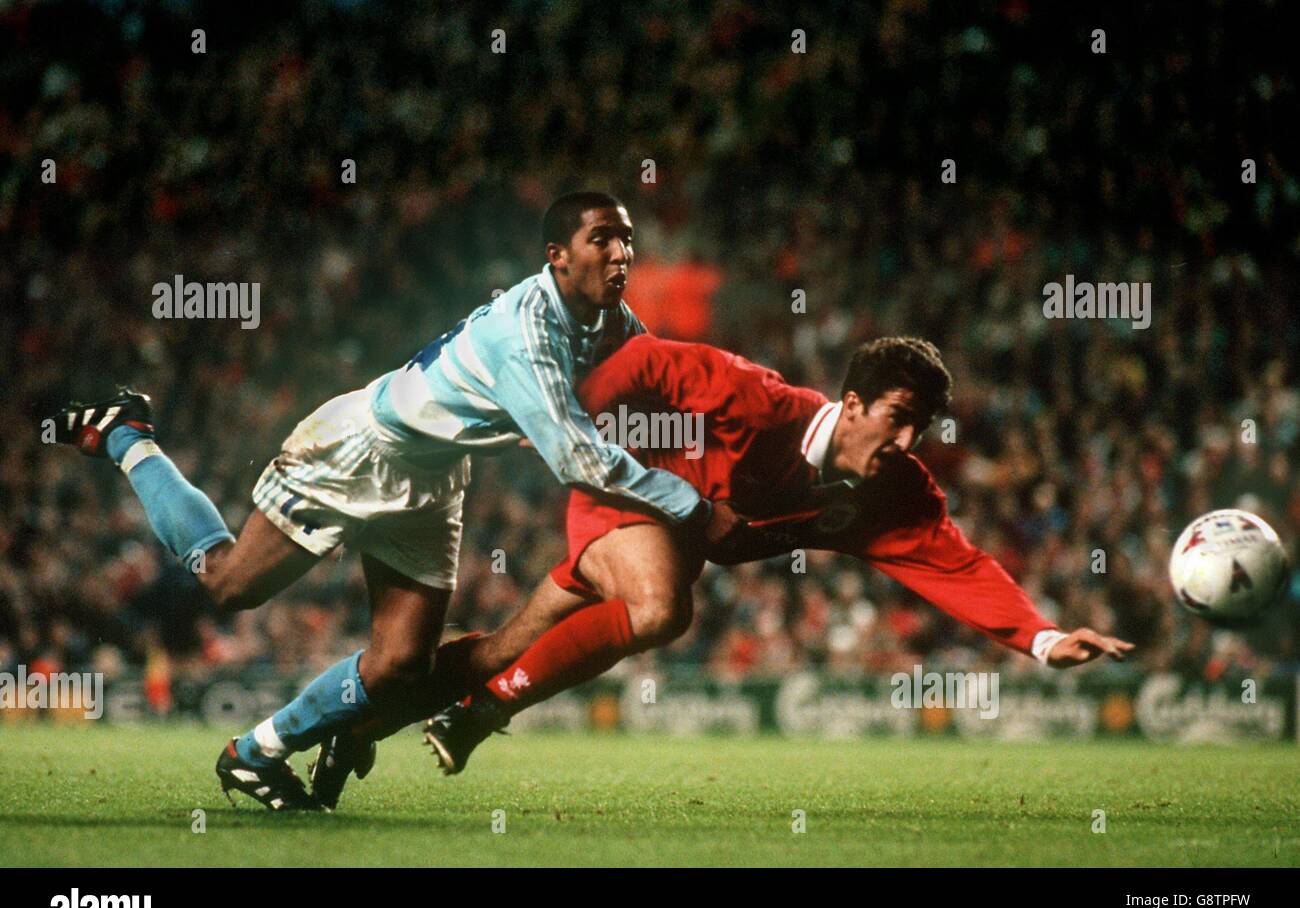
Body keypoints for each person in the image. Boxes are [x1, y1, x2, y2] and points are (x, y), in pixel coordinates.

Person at [48, 192, 737, 810]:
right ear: (558, 257)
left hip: (433, 479)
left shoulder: (613, 323)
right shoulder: (525, 332)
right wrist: (695, 506)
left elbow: (662, 387)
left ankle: (257, 751)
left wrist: (742, 449)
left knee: (401, 663)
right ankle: (128, 436)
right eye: (603, 240)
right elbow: (576, 457)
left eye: (627, 240)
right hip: (363, 447)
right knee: (229, 584)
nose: (621, 254)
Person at [405, 334, 1133, 778]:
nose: (909, 443)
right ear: (852, 405)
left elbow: (955, 563)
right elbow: (647, 359)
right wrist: (566, 422)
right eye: (899, 421)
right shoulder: (756, 401)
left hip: (670, 541)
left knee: (501, 648)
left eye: (923, 429)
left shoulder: (891, 492)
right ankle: (483, 712)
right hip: (623, 499)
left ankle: (357, 716)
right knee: (661, 610)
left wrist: (1041, 636)